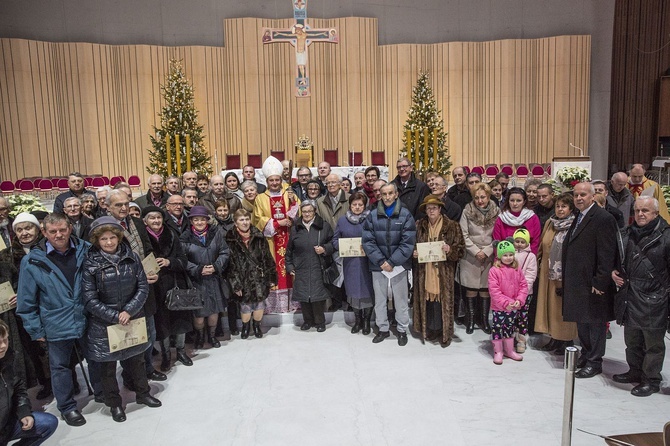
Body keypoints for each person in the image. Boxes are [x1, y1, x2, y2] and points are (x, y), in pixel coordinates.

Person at [81, 217, 161, 422]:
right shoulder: (90, 262)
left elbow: (143, 287)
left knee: (137, 361)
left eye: (112, 238)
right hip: (104, 323)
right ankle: (115, 404)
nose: (109, 242)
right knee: (107, 368)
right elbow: (89, 298)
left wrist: (128, 311)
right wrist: (114, 316)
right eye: (104, 239)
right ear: (97, 240)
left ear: (119, 238)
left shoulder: (132, 257)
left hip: (131, 317)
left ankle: (143, 394)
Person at [17, 213, 90, 426]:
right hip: (56, 322)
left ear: (70, 228)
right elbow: (26, 301)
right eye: (53, 231)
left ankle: (102, 393)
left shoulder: (85, 249)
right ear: (44, 233)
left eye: (63, 230)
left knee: (95, 359)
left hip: (87, 316)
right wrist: (35, 330)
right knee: (60, 367)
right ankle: (67, 407)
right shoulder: (31, 260)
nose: (59, 235)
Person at [612, 196, 670, 396]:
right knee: (632, 340)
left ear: (655, 213)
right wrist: (614, 271)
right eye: (637, 210)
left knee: (653, 344)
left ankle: (651, 380)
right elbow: (618, 260)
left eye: (645, 211)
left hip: (655, 299)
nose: (640, 214)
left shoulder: (666, 236)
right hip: (631, 296)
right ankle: (634, 371)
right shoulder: (627, 233)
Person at [562, 182, 618, 379]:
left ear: (593, 196)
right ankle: (586, 355)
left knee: (594, 323)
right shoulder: (580, 216)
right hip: (579, 281)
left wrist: (600, 282)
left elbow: (607, 254)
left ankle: (595, 362)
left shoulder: (603, 218)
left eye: (583, 195)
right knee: (583, 322)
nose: (578, 198)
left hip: (593, 283)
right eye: (576, 195)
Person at [362, 183, 416, 346]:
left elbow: (408, 242)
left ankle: (401, 329)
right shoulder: (372, 216)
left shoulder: (405, 215)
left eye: (390, 193)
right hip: (378, 265)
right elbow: (368, 241)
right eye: (383, 194)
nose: (386, 197)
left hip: (398, 266)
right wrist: (381, 261)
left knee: (400, 300)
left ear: (396, 194)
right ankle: (383, 329)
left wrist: (392, 262)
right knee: (380, 300)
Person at [141, 207, 193, 372]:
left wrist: (170, 261)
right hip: (154, 286)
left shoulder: (171, 234)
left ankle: (181, 351)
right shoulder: (142, 238)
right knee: (161, 323)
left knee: (179, 319)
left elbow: (183, 260)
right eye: (152, 218)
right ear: (145, 221)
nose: (156, 221)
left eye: (158, 217)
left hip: (175, 282)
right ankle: (166, 355)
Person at [8, 213, 52, 399]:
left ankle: (70, 381)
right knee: (35, 349)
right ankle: (46, 383)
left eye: (28, 228)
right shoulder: (8, 255)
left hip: (48, 305)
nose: (24, 233)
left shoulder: (48, 247)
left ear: (37, 228)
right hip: (26, 310)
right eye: (19, 229)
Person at [412, 195, 464, 346]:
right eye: (428, 208)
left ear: (440, 209)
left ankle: (443, 332)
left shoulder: (452, 226)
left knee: (443, 301)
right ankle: (429, 329)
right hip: (425, 271)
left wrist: (450, 249)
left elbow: (461, 249)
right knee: (428, 301)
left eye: (434, 208)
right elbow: (413, 245)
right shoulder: (420, 225)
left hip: (444, 271)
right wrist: (414, 253)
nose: (431, 211)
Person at [254, 156, 300, 313]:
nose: (274, 183)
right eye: (271, 180)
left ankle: (294, 305)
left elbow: (300, 214)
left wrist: (294, 204)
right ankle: (275, 307)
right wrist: (276, 223)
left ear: (281, 180)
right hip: (271, 242)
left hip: (290, 240)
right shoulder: (260, 198)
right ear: (267, 181)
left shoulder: (289, 194)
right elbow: (257, 219)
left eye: (277, 180)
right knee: (275, 271)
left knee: (290, 271)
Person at [0, 319, 58, 445]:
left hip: (6, 425)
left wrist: (23, 411)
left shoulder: (8, 357)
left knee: (48, 423)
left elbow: (18, 387)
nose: (3, 346)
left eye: (5, 339)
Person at [534, 193, 578, 354]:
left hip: (565, 274)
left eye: (564, 206)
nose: (560, 209)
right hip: (547, 272)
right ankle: (553, 338)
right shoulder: (550, 223)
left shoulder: (574, 225)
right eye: (558, 206)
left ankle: (565, 340)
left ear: (571, 208)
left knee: (562, 309)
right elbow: (542, 245)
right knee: (549, 307)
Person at [180, 206, 229, 349]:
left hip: (214, 278)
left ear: (207, 220)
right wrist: (198, 269)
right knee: (199, 314)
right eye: (196, 219)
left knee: (214, 310)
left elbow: (224, 252)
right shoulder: (185, 237)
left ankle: (212, 336)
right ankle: (200, 336)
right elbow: (182, 259)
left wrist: (215, 266)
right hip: (196, 280)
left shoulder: (216, 233)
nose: (200, 222)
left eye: (203, 219)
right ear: (191, 221)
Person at [226, 209, 277, 339]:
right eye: (241, 220)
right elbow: (229, 265)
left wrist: (271, 277)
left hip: (259, 277)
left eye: (247, 219)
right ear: (236, 222)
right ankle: (245, 327)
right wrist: (235, 284)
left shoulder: (259, 236)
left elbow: (267, 258)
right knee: (245, 305)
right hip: (241, 278)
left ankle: (256, 326)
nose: (245, 222)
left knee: (260, 303)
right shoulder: (230, 239)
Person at [286, 200, 333, 332]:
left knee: (317, 296)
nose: (307, 214)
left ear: (315, 212)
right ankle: (307, 321)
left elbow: (333, 243)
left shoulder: (324, 226)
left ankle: (320, 321)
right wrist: (289, 266)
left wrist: (324, 249)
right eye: (304, 211)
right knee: (304, 296)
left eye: (309, 211)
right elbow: (289, 250)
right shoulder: (296, 228)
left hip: (318, 266)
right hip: (301, 267)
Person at [458, 183, 500, 334]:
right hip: (470, 256)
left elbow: (498, 234)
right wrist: (476, 251)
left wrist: (488, 251)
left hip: (489, 255)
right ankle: (470, 320)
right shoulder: (466, 211)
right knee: (471, 289)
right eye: (476, 198)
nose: (480, 200)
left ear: (488, 196)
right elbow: (463, 234)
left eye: (483, 197)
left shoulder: (497, 211)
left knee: (485, 289)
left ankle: (484, 321)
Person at [333, 192, 374, 335]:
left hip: (367, 262)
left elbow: (377, 238)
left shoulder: (371, 219)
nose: (357, 207)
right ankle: (358, 321)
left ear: (365, 205)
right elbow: (335, 240)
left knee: (368, 291)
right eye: (354, 204)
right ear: (350, 205)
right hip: (350, 263)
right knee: (353, 292)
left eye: (360, 205)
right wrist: (342, 247)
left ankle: (367, 321)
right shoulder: (342, 220)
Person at [488, 240, 527, 364]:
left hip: (513, 307)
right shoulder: (494, 271)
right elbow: (494, 291)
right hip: (499, 307)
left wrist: (519, 300)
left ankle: (509, 350)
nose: (508, 257)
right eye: (505, 255)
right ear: (499, 256)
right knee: (498, 328)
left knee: (509, 328)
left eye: (511, 254)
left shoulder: (517, 269)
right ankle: (498, 351)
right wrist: (506, 303)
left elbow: (523, 286)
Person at [493, 187, 541, 254]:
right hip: (506, 259)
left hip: (527, 259)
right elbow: (497, 242)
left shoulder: (533, 218)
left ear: (524, 202)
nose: (515, 204)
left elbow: (536, 242)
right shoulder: (501, 218)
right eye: (512, 200)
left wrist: (528, 258)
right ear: (508, 201)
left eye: (518, 200)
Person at [511, 228, 537, 353]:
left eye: (522, 241)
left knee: (522, 316)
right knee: (511, 315)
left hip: (525, 293)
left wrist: (522, 289)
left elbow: (531, 274)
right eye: (517, 241)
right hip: (510, 292)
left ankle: (521, 339)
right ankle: (511, 338)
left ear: (527, 243)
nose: (519, 244)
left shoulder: (530, 256)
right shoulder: (510, 254)